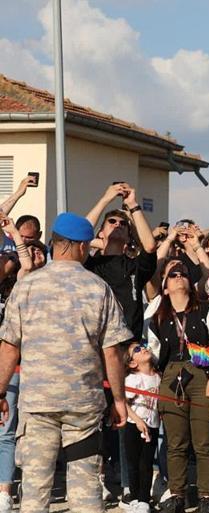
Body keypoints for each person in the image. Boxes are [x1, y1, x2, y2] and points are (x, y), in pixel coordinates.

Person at [0, 212, 133, 513]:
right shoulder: (98, 288)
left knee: (35, 489)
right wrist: (119, 399)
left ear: (55, 243)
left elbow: (9, 347)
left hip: (38, 405)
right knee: (86, 490)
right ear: (83, 247)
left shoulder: (27, 286)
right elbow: (112, 351)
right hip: (83, 407)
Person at [146, 259, 209, 513]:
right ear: (166, 285)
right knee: (176, 441)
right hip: (171, 374)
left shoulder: (205, 309)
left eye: (183, 273)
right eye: (173, 274)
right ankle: (178, 494)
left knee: (203, 442)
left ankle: (206, 495)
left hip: (202, 372)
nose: (179, 276)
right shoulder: (157, 315)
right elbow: (154, 353)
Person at [86, 182, 158, 340]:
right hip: (96, 344)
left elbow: (150, 246)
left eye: (123, 224)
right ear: (100, 233)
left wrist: (133, 204)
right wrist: (106, 199)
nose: (118, 224)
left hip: (128, 346)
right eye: (112, 221)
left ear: (128, 236)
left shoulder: (135, 266)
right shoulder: (89, 264)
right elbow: (79, 234)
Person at [123, 342, 161, 513]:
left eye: (143, 346)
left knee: (146, 463)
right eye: (137, 350)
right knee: (133, 463)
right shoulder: (132, 379)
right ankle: (134, 497)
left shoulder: (158, 377)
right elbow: (123, 403)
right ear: (132, 363)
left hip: (152, 426)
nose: (143, 348)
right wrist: (137, 420)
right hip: (134, 426)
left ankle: (144, 500)